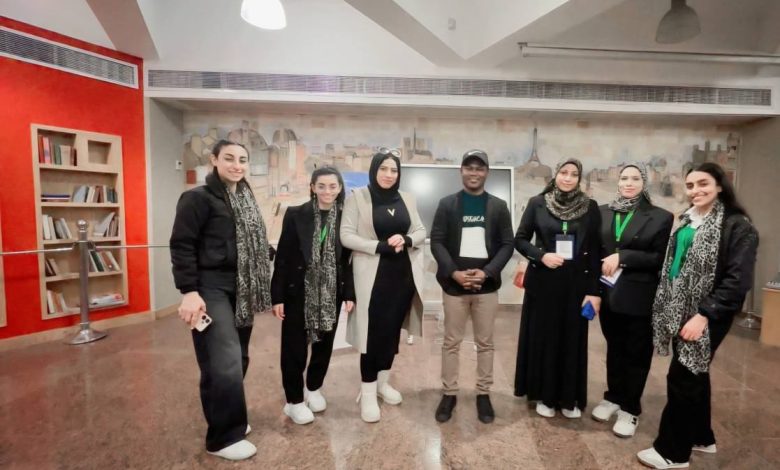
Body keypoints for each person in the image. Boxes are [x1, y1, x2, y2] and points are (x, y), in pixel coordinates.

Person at [637, 162, 758, 469]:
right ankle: (702, 437)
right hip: (680, 309)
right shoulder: (689, 219)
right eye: (690, 185)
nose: (695, 190)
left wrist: (703, 315)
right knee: (695, 373)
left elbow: (737, 281)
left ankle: (672, 453)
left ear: (719, 185)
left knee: (682, 378)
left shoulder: (737, 225)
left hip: (706, 315)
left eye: (703, 183)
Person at [170, 139, 272, 461]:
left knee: (238, 358)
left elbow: (250, 243)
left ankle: (229, 418)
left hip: (242, 286)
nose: (237, 165)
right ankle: (223, 438)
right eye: (229, 158)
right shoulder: (197, 198)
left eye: (242, 159)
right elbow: (182, 245)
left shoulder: (245, 198)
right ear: (214, 160)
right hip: (210, 287)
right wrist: (189, 291)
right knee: (222, 359)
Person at [340, 149, 426, 423]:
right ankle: (367, 393)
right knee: (371, 337)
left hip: (402, 279)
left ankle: (382, 384)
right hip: (372, 279)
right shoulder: (357, 198)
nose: (389, 175)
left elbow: (420, 231)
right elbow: (346, 236)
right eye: (384, 169)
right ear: (374, 170)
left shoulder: (407, 198)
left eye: (394, 170)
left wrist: (407, 239)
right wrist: (378, 247)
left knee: (391, 335)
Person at [430, 149, 514, 424]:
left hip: (486, 289)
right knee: (451, 342)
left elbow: (507, 244)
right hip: (454, 288)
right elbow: (437, 241)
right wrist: (453, 272)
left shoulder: (498, 206)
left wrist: (487, 272)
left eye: (479, 168)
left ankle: (483, 394)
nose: (474, 173)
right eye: (469, 168)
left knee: (485, 343)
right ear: (461, 171)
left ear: (486, 172)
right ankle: (449, 393)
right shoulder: (447, 204)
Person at [513, 158, 602, 419]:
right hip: (544, 282)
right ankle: (544, 396)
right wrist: (541, 256)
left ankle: (568, 398)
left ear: (579, 178)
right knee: (545, 338)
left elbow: (595, 250)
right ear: (556, 174)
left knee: (572, 339)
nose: (568, 178)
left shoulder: (590, 207)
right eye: (564, 172)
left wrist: (594, 290)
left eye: (574, 174)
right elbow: (520, 239)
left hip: (576, 285)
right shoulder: (538, 203)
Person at [593, 163, 673, 438]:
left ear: (644, 182)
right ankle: (613, 397)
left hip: (639, 296)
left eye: (635, 178)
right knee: (614, 348)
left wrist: (623, 257)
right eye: (624, 178)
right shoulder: (602, 212)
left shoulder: (660, 217)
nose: (629, 183)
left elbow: (658, 258)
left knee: (636, 353)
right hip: (608, 292)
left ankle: (630, 408)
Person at [271, 166, 355, 425]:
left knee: (324, 345)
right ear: (312, 187)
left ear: (340, 188)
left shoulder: (346, 217)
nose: (327, 191)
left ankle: (314, 388)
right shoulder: (296, 214)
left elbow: (348, 261)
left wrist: (349, 293)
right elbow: (283, 257)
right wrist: (277, 296)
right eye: (321, 186)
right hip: (298, 292)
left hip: (331, 292)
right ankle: (294, 402)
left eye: (333, 186)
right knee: (294, 348)